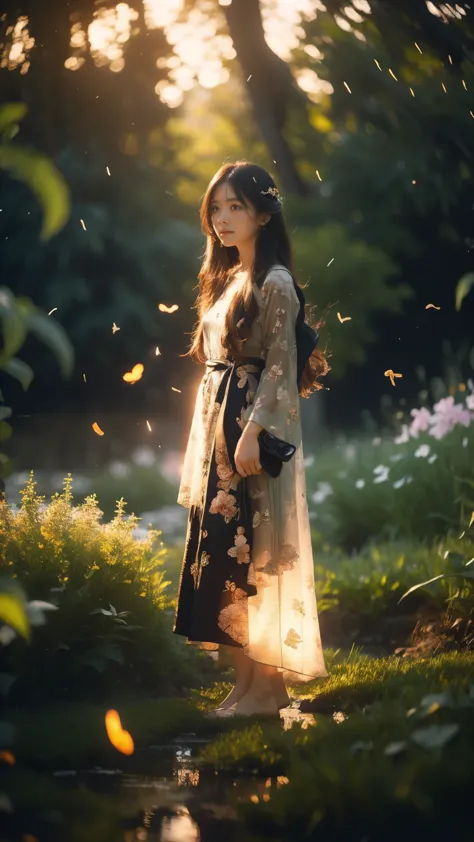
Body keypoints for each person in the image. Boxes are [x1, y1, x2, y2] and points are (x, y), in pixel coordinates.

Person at [173, 160, 329, 717]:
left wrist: (250, 434)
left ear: (264, 213)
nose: (222, 218)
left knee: (255, 555)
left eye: (235, 206)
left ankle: (269, 690)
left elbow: (282, 367)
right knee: (225, 556)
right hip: (221, 422)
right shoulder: (230, 279)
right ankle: (244, 688)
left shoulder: (276, 281)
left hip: (248, 428)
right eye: (216, 207)